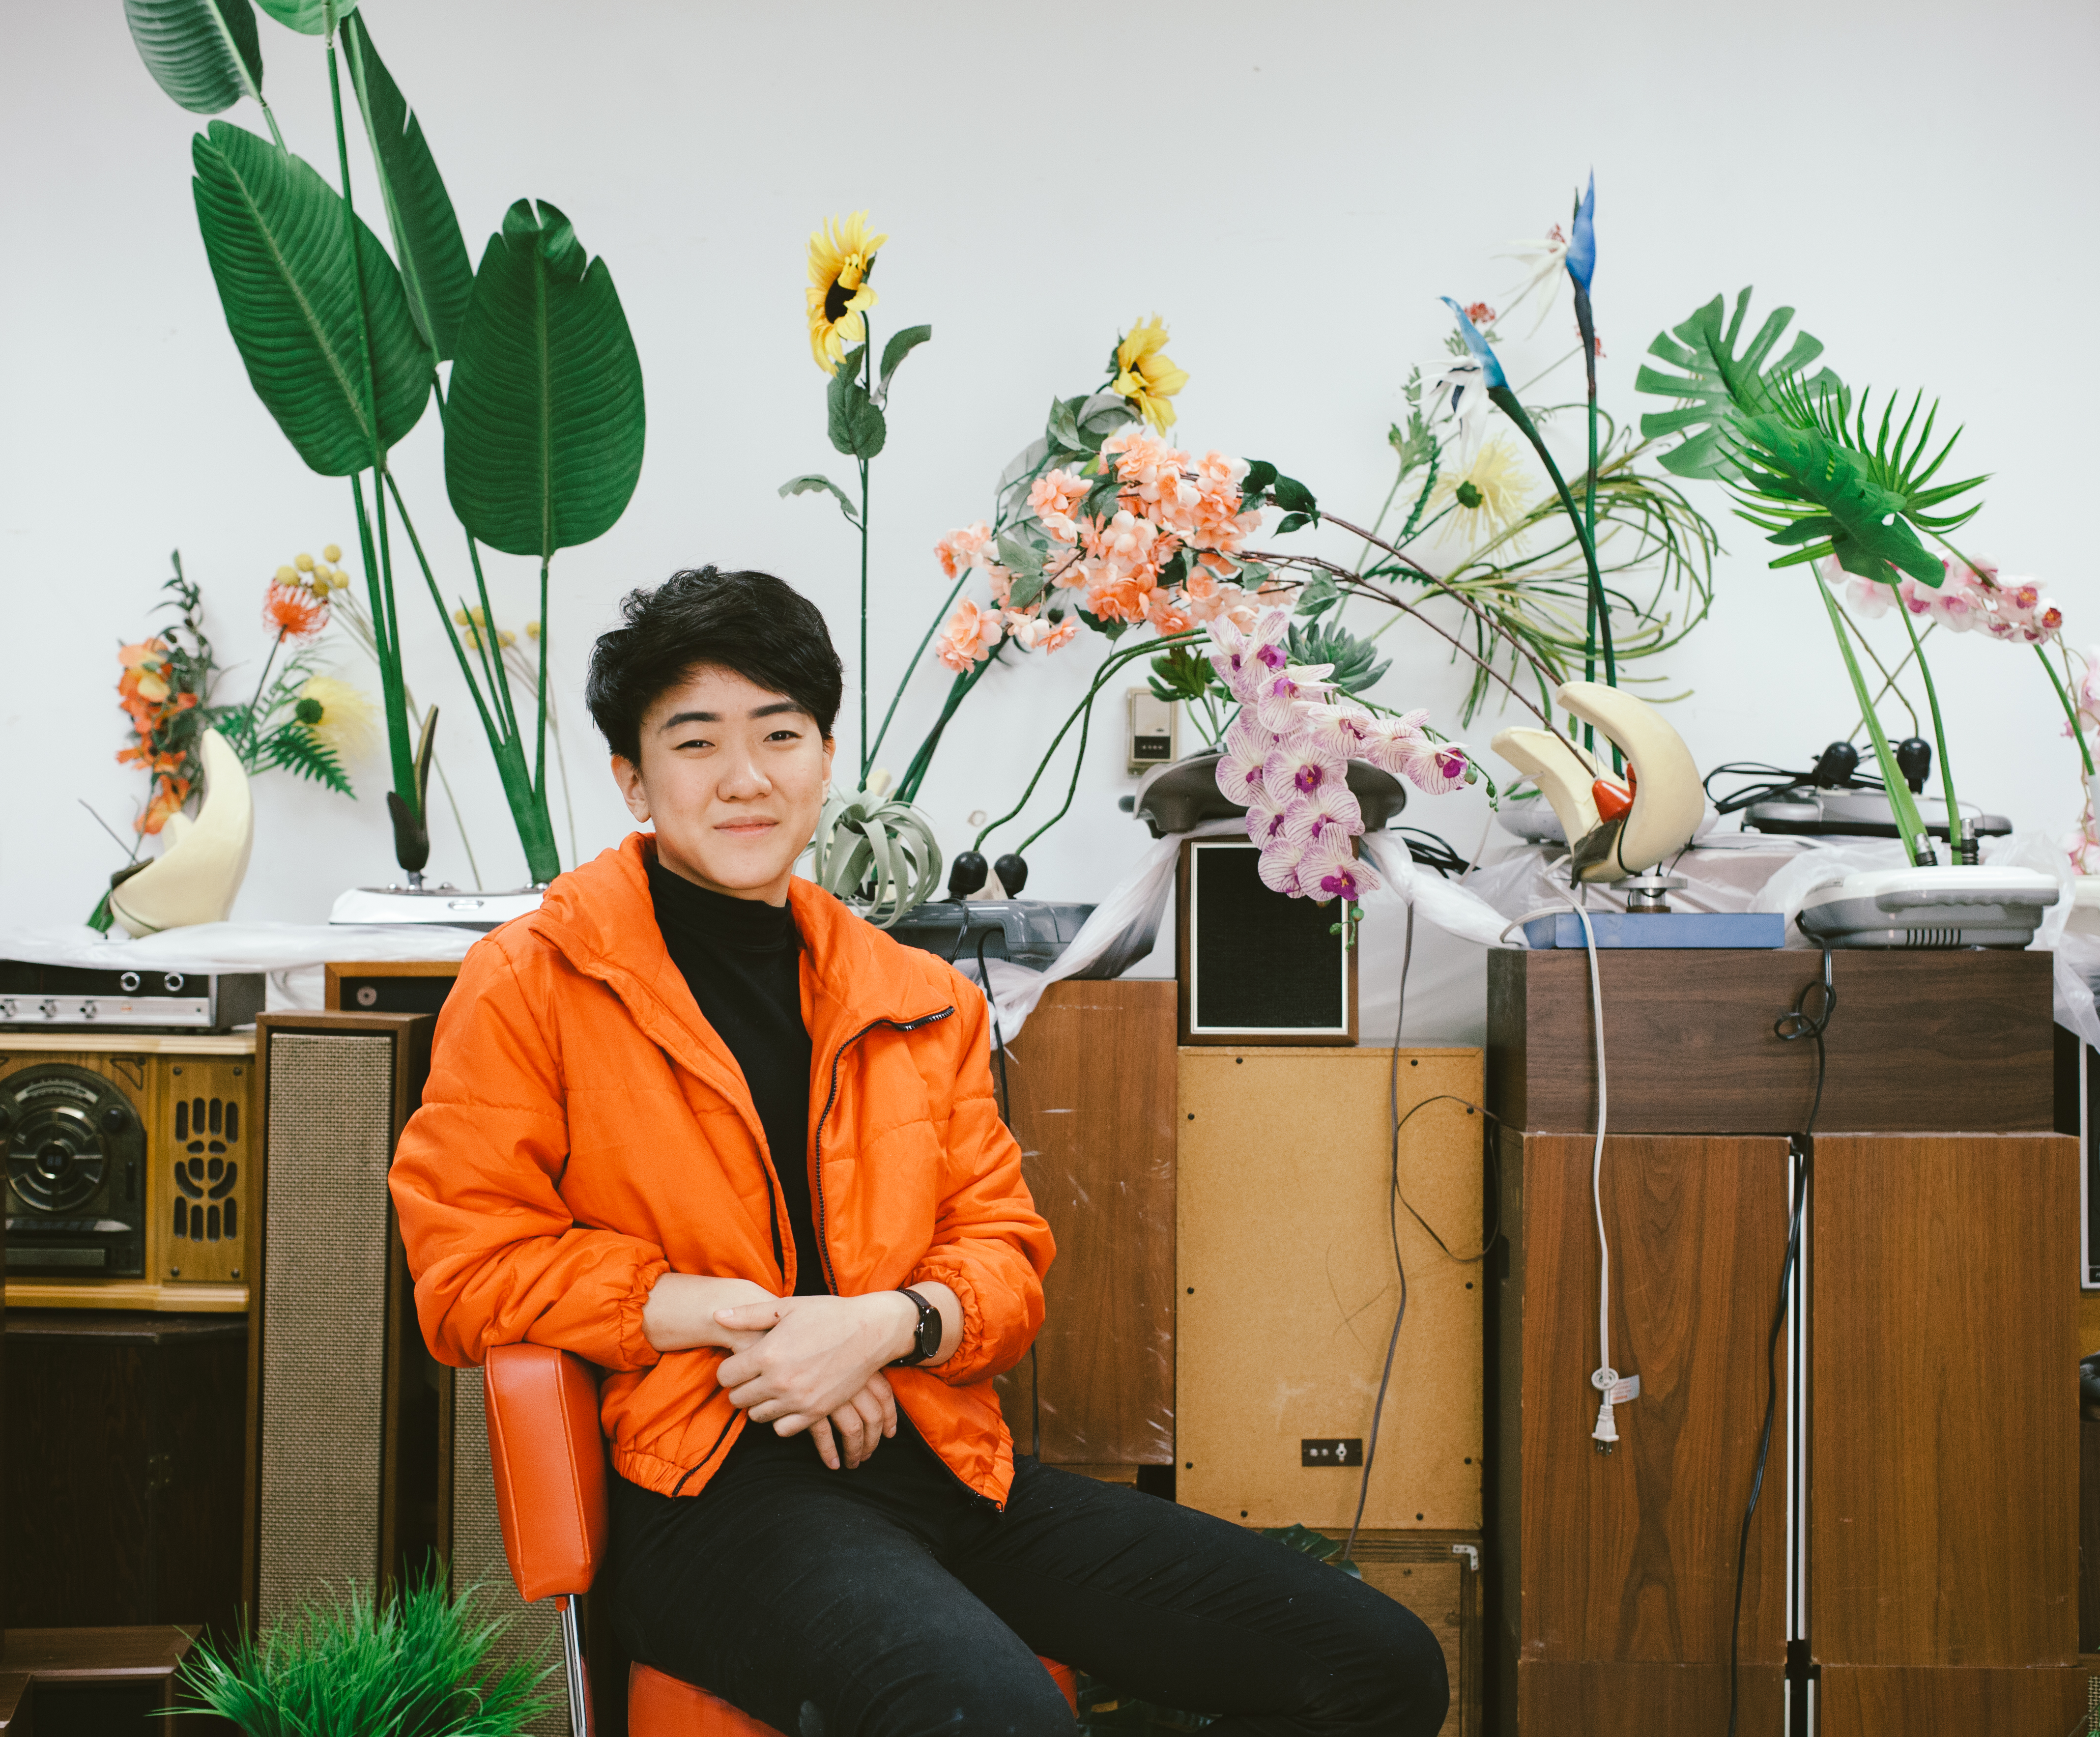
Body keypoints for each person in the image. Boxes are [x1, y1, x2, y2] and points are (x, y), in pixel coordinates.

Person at [389, 567, 1447, 1737]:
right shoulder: (531, 981)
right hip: (705, 1495)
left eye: (780, 734)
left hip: (943, 1464)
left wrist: (883, 1328)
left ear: (825, 759)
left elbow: (1003, 1257)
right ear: (633, 779)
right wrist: (735, 1316)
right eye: (696, 743)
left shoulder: (918, 996)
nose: (746, 778)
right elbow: (464, 1268)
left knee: (1376, 1662)